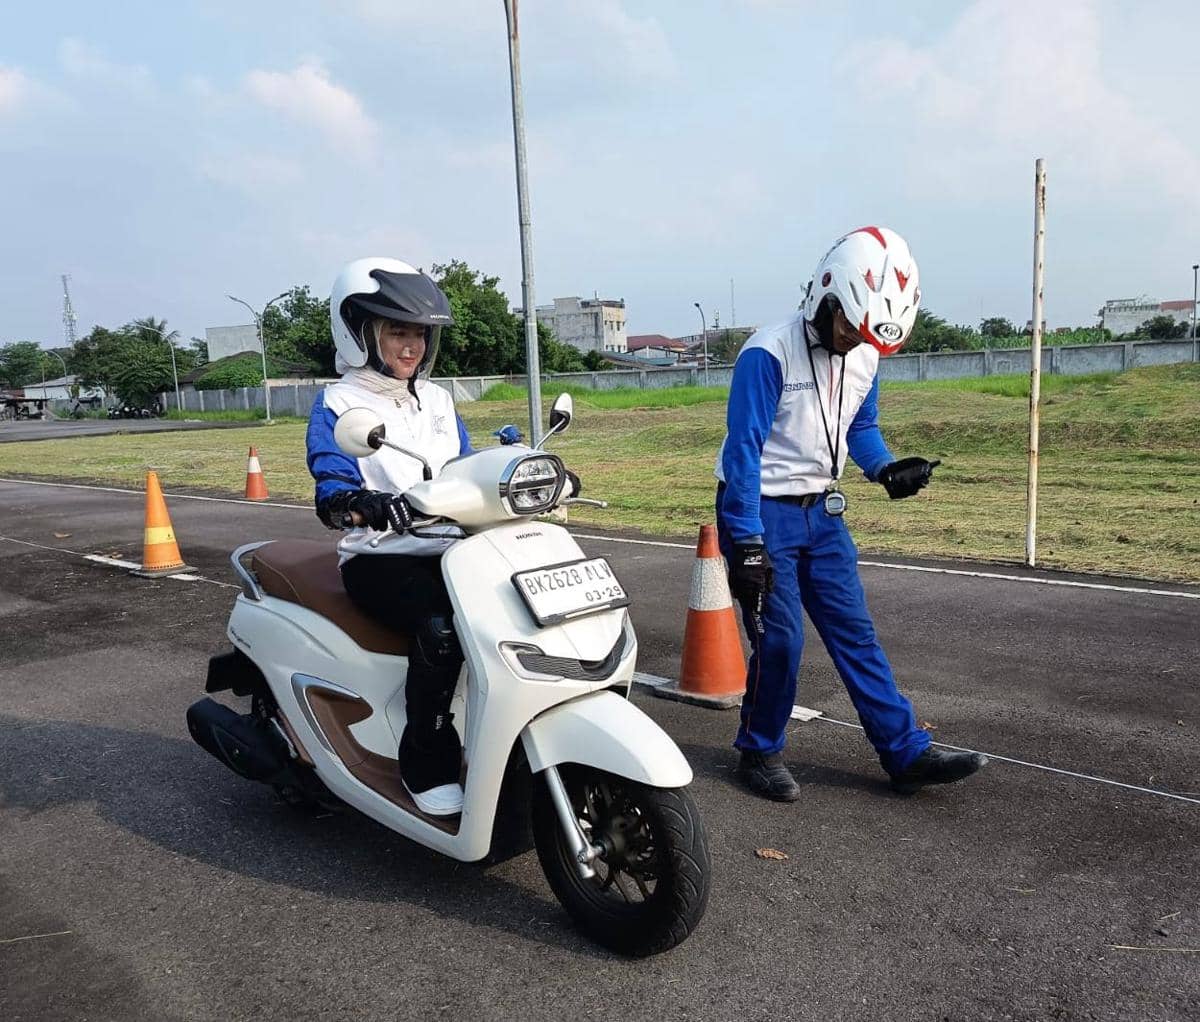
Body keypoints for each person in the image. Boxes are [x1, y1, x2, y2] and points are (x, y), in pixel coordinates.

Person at [715, 226, 986, 801]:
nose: (851, 341)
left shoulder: (863, 353)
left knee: (855, 634)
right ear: (825, 297)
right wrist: (746, 542)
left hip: (822, 511)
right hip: (759, 509)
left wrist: (885, 469)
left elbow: (860, 427)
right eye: (847, 326)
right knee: (782, 640)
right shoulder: (768, 353)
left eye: (864, 335)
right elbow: (742, 453)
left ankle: (905, 752)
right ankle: (758, 750)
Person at [306, 257, 471, 817]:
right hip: (381, 555)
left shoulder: (442, 400)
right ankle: (426, 756)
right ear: (360, 333)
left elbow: (467, 468)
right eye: (397, 331)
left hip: (452, 548)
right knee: (442, 629)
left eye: (419, 333)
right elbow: (331, 481)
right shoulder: (339, 402)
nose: (412, 346)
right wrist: (357, 503)